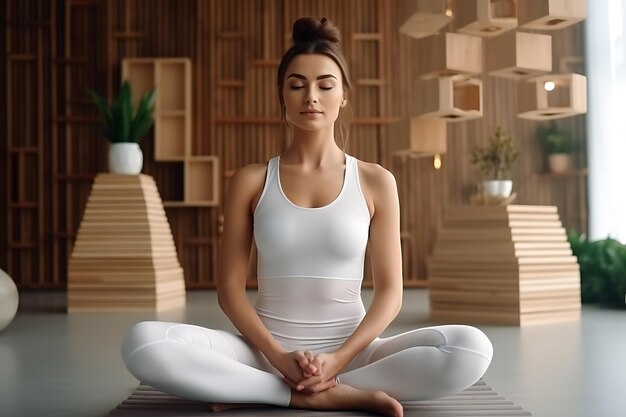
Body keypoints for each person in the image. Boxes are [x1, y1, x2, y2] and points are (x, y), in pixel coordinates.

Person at [121, 17, 493, 417]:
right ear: (282, 94)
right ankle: (311, 393)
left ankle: (269, 390)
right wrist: (280, 358)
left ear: (344, 95)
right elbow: (229, 290)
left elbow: (390, 295)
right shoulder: (250, 180)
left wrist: (336, 360)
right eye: (296, 84)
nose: (310, 96)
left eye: (325, 85)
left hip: (356, 355)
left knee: (471, 348)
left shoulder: (376, 181)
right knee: (143, 343)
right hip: (262, 353)